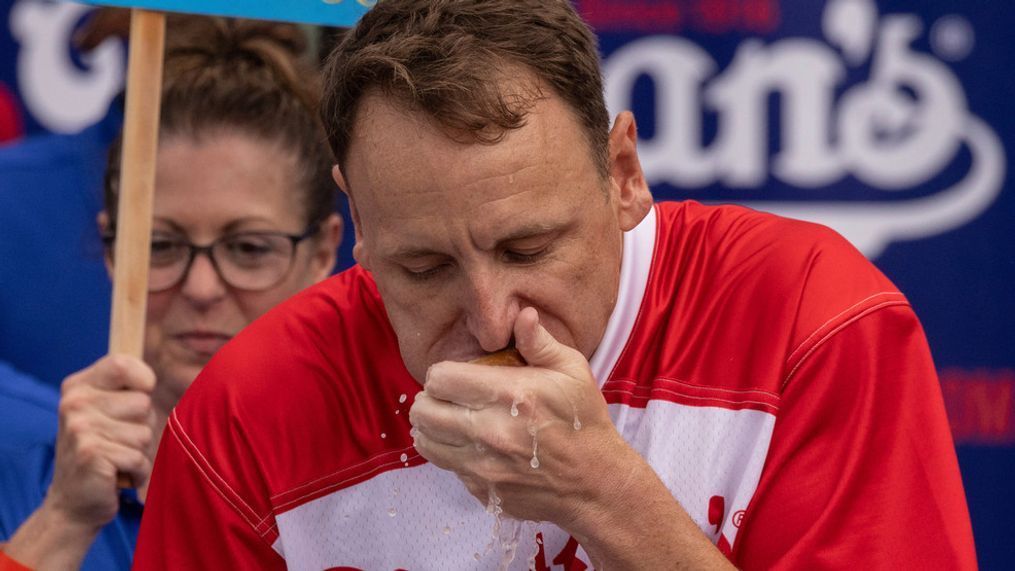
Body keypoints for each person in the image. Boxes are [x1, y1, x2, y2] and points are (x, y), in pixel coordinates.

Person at [133, 1, 977, 569]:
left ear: (622, 173)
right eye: (422, 267)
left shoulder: (808, 319)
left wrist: (604, 496)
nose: (492, 316)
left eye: (530, 247)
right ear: (356, 220)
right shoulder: (244, 419)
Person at [0, 16, 341, 570]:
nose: (202, 289)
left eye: (250, 249)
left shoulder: (389, 477)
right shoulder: (22, 482)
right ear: (113, 249)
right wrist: (63, 521)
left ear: (324, 253)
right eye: (160, 246)